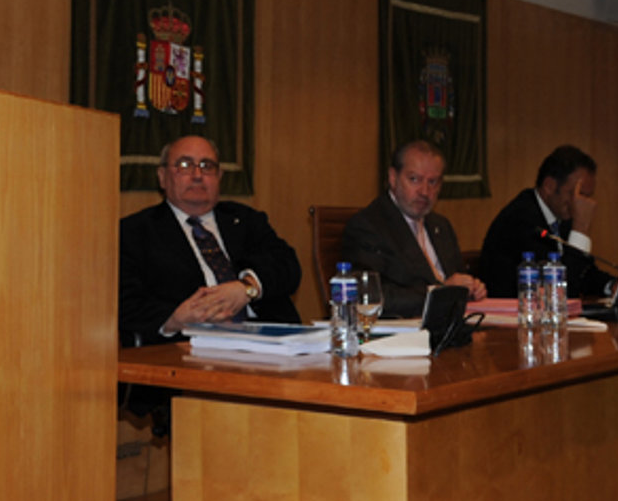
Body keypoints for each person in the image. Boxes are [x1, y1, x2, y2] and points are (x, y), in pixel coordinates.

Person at [119, 135, 302, 347]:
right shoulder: (134, 232)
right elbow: (124, 302)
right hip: (188, 346)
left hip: (269, 343)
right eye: (184, 165)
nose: (197, 175)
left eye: (207, 166)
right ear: (162, 176)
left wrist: (247, 288)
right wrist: (175, 319)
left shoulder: (245, 220)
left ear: (219, 176)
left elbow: (288, 266)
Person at [342, 140, 486, 318]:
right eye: (414, 179)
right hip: (402, 329)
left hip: (449, 324)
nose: (425, 191)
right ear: (393, 178)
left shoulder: (441, 226)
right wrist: (440, 293)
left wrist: (471, 288)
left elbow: (456, 280)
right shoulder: (368, 226)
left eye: (432, 182)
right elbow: (370, 296)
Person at [478, 145, 615, 298]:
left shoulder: (561, 215)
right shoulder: (521, 220)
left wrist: (612, 285)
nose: (582, 204)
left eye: (586, 197)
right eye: (577, 194)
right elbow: (560, 289)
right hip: (515, 310)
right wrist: (581, 228)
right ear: (549, 186)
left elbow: (583, 273)